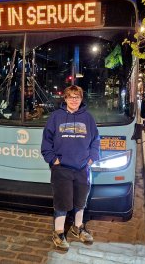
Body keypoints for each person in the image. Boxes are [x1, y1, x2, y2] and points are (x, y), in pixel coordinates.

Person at [41, 85, 100, 250]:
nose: (74, 100)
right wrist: (53, 160)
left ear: (81, 99)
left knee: (80, 201)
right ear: (65, 98)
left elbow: (95, 140)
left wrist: (92, 159)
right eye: (71, 96)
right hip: (62, 169)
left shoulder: (88, 118)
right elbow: (46, 141)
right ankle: (59, 232)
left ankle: (77, 228)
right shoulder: (55, 117)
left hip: (83, 168)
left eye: (77, 97)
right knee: (62, 202)